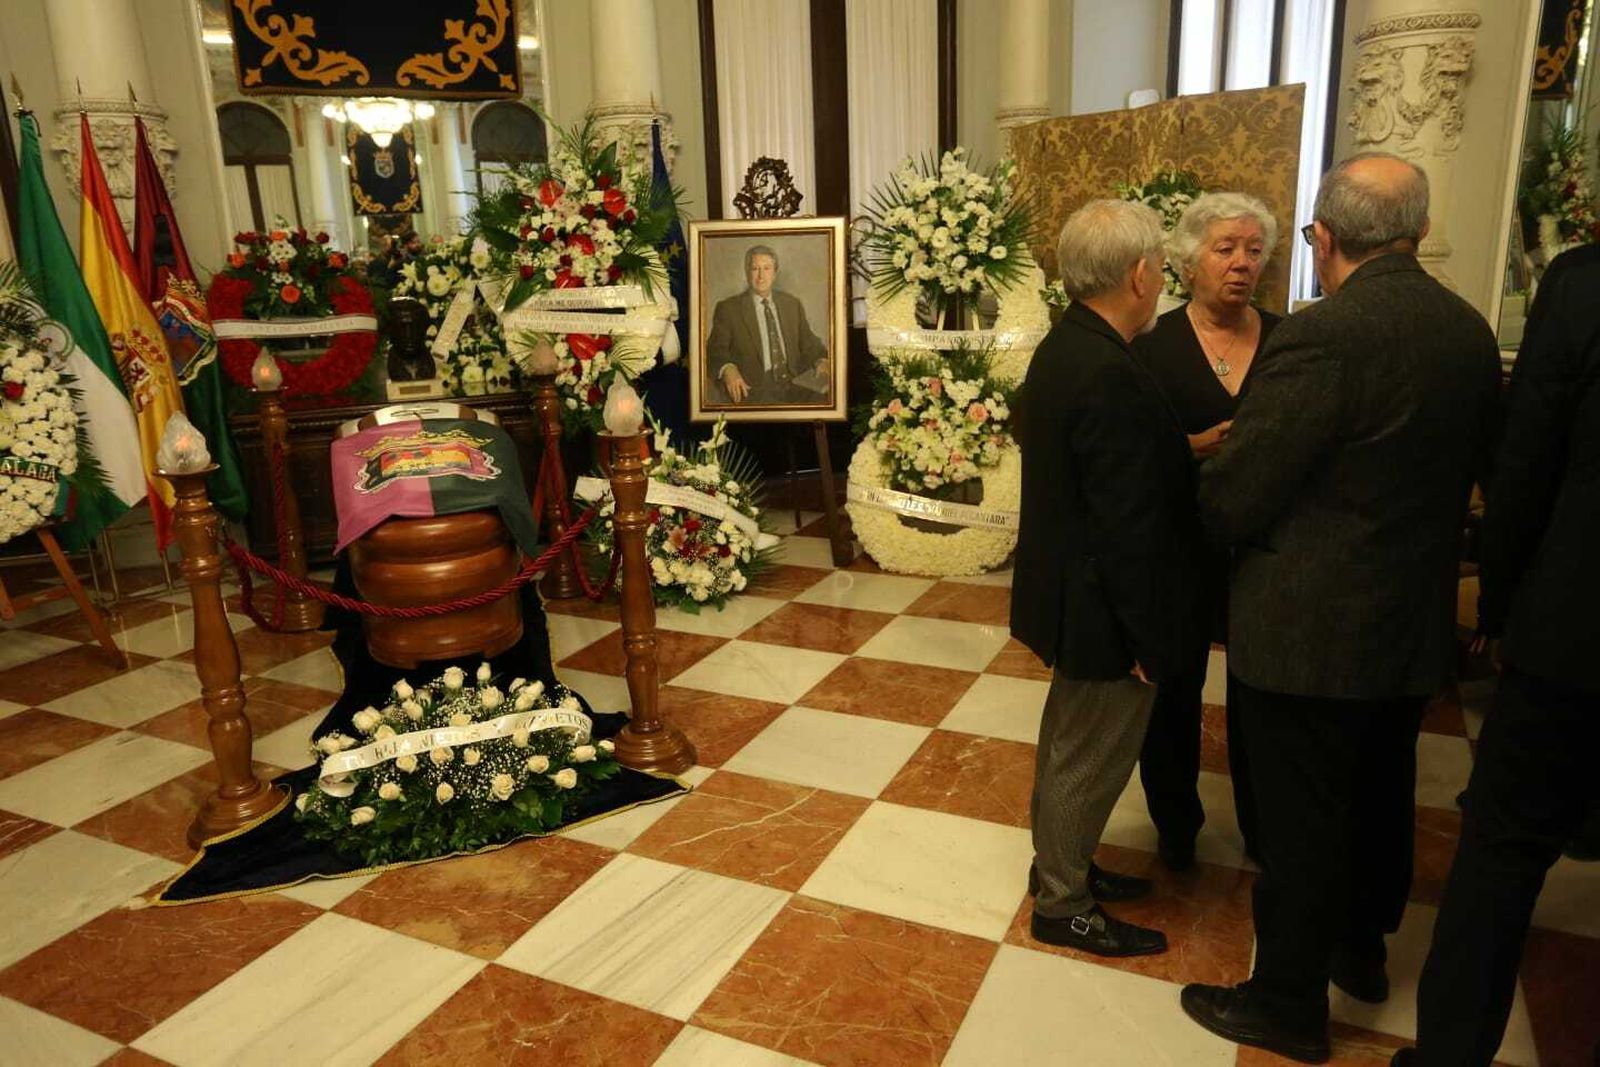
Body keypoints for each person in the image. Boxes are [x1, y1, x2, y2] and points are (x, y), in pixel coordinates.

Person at [1178, 152, 1501, 1064]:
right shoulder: (1468, 330)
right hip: (1408, 620)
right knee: (1380, 793)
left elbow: (1241, 491)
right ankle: (1361, 953)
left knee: (1300, 818)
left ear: (1319, 237)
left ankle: (1285, 1002)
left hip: (1308, 628)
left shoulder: (1324, 335)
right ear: (1421, 232)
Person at [1391, 244, 1599, 1067]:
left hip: (1578, 626)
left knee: (1503, 850)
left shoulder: (1584, 285)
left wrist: (1500, 608)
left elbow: (1526, 466)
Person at [1010, 199, 1203, 958]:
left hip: (1072, 588)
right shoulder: (1107, 367)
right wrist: (1143, 634)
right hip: (1103, 605)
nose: (1163, 275)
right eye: (1160, 262)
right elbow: (1126, 525)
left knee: (1069, 740)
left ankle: (1062, 862)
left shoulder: (1070, 345)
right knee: (1088, 755)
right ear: (1138, 274)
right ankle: (1063, 900)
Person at [1133, 191, 1282, 871]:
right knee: (1174, 688)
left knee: (1262, 690)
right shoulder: (1151, 347)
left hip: (1265, 550)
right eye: (1225, 248)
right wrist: (1186, 447)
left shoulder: (1288, 342)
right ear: (1190, 261)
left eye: (1254, 249)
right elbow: (1127, 455)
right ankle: (1176, 822)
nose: (1241, 263)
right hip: (1178, 548)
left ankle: (1263, 823)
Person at [704, 244, 830, 404]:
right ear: (747, 273)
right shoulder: (729, 309)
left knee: (829, 398)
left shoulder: (791, 304)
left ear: (775, 273)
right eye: (755, 269)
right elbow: (715, 350)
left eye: (767, 268)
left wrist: (822, 360)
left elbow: (809, 343)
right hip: (754, 388)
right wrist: (728, 368)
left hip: (795, 383)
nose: (761, 276)